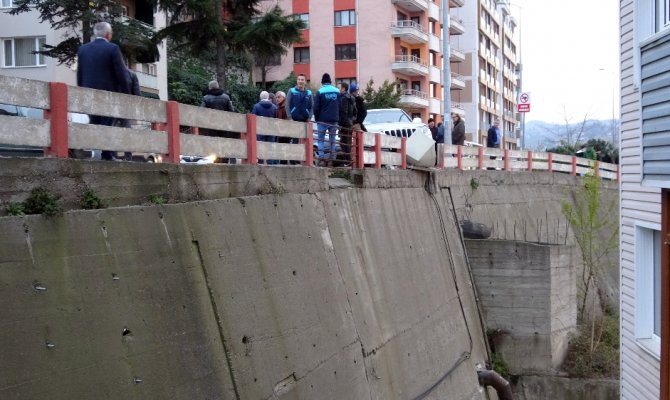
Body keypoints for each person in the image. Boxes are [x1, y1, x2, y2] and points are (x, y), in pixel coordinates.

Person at [77, 21, 130, 160]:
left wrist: (80, 92)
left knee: (94, 122)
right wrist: (126, 94)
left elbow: (80, 73)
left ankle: (94, 153)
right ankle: (107, 155)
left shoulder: (83, 49)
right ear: (108, 34)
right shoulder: (112, 49)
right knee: (107, 123)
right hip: (108, 95)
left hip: (88, 94)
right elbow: (121, 73)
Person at [201, 80, 237, 162]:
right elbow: (231, 111)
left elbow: (201, 112)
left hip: (211, 125)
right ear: (218, 87)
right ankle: (224, 161)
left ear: (210, 87)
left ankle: (216, 161)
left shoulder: (206, 98)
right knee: (224, 143)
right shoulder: (226, 97)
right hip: (224, 125)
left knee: (213, 143)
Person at [313, 73, 340, 166]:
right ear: (330, 81)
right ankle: (332, 159)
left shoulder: (320, 92)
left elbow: (316, 108)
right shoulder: (337, 91)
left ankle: (321, 158)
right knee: (332, 140)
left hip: (322, 120)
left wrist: (317, 119)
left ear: (322, 82)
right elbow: (339, 105)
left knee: (320, 140)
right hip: (334, 120)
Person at [252, 91, 278, 165]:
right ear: (268, 97)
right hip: (271, 130)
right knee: (270, 148)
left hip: (260, 130)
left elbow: (253, 119)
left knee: (260, 148)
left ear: (260, 97)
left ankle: (260, 165)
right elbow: (276, 119)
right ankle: (271, 165)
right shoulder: (274, 107)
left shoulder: (256, 106)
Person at [338, 82, 357, 166]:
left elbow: (344, 112)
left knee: (343, 142)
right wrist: (352, 120)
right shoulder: (351, 97)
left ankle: (348, 161)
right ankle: (348, 161)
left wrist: (340, 124)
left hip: (345, 123)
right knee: (347, 142)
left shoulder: (344, 98)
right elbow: (355, 111)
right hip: (349, 123)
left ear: (343, 89)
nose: (338, 89)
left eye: (339, 87)